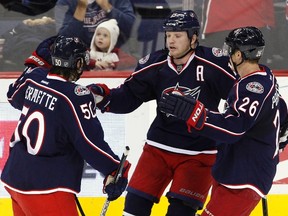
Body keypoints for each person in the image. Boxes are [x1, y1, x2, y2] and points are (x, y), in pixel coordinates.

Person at [88, 10, 236, 216]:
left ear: (193, 38)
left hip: (199, 154)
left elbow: (241, 95)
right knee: (134, 208)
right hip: (158, 149)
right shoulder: (154, 64)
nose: (170, 41)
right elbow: (129, 96)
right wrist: (103, 98)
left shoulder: (214, 64)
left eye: (177, 35)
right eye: (168, 35)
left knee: (179, 212)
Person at [158, 26, 288, 216]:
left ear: (239, 55)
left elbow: (235, 129)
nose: (226, 55)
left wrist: (194, 113)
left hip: (245, 179)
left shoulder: (253, 88)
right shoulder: (263, 76)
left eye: (230, 51)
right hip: (235, 171)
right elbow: (281, 111)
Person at [0, 35, 130, 215]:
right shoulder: (75, 96)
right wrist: (115, 168)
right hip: (47, 187)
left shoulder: (34, 78)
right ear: (77, 64)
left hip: (14, 179)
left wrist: (35, 62)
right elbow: (89, 143)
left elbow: (12, 95)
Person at [55, 0, 135, 47]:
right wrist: (81, 8)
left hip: (115, 57)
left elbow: (132, 28)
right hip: (79, 60)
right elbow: (63, 41)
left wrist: (107, 7)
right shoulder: (64, 2)